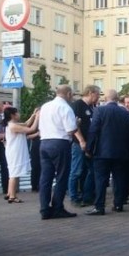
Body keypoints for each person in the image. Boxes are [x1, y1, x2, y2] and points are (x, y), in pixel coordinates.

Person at [85, 89, 129, 215]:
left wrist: (89, 148)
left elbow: (93, 130)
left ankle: (99, 206)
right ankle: (118, 204)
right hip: (121, 152)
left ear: (106, 98)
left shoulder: (99, 110)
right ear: (117, 99)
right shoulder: (125, 113)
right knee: (119, 178)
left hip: (102, 151)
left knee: (100, 179)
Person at [37, 85, 79, 220]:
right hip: (60, 142)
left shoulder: (45, 106)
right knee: (61, 176)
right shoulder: (66, 108)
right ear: (68, 93)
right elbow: (70, 130)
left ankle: (44, 208)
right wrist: (77, 123)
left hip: (44, 142)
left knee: (45, 177)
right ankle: (57, 207)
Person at [68, 85, 100, 208]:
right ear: (91, 93)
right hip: (79, 144)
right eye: (97, 94)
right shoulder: (78, 105)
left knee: (90, 170)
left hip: (89, 144)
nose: (98, 97)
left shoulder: (92, 107)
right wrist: (81, 141)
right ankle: (74, 197)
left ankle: (87, 195)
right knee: (76, 171)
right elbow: (74, 125)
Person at [3, 107, 39, 203]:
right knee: (14, 173)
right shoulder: (13, 126)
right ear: (12, 115)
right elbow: (31, 128)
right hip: (15, 152)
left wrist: (33, 115)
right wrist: (37, 117)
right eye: (17, 113)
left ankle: (10, 193)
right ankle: (12, 196)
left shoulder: (13, 124)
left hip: (15, 150)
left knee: (14, 173)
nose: (19, 114)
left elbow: (27, 123)